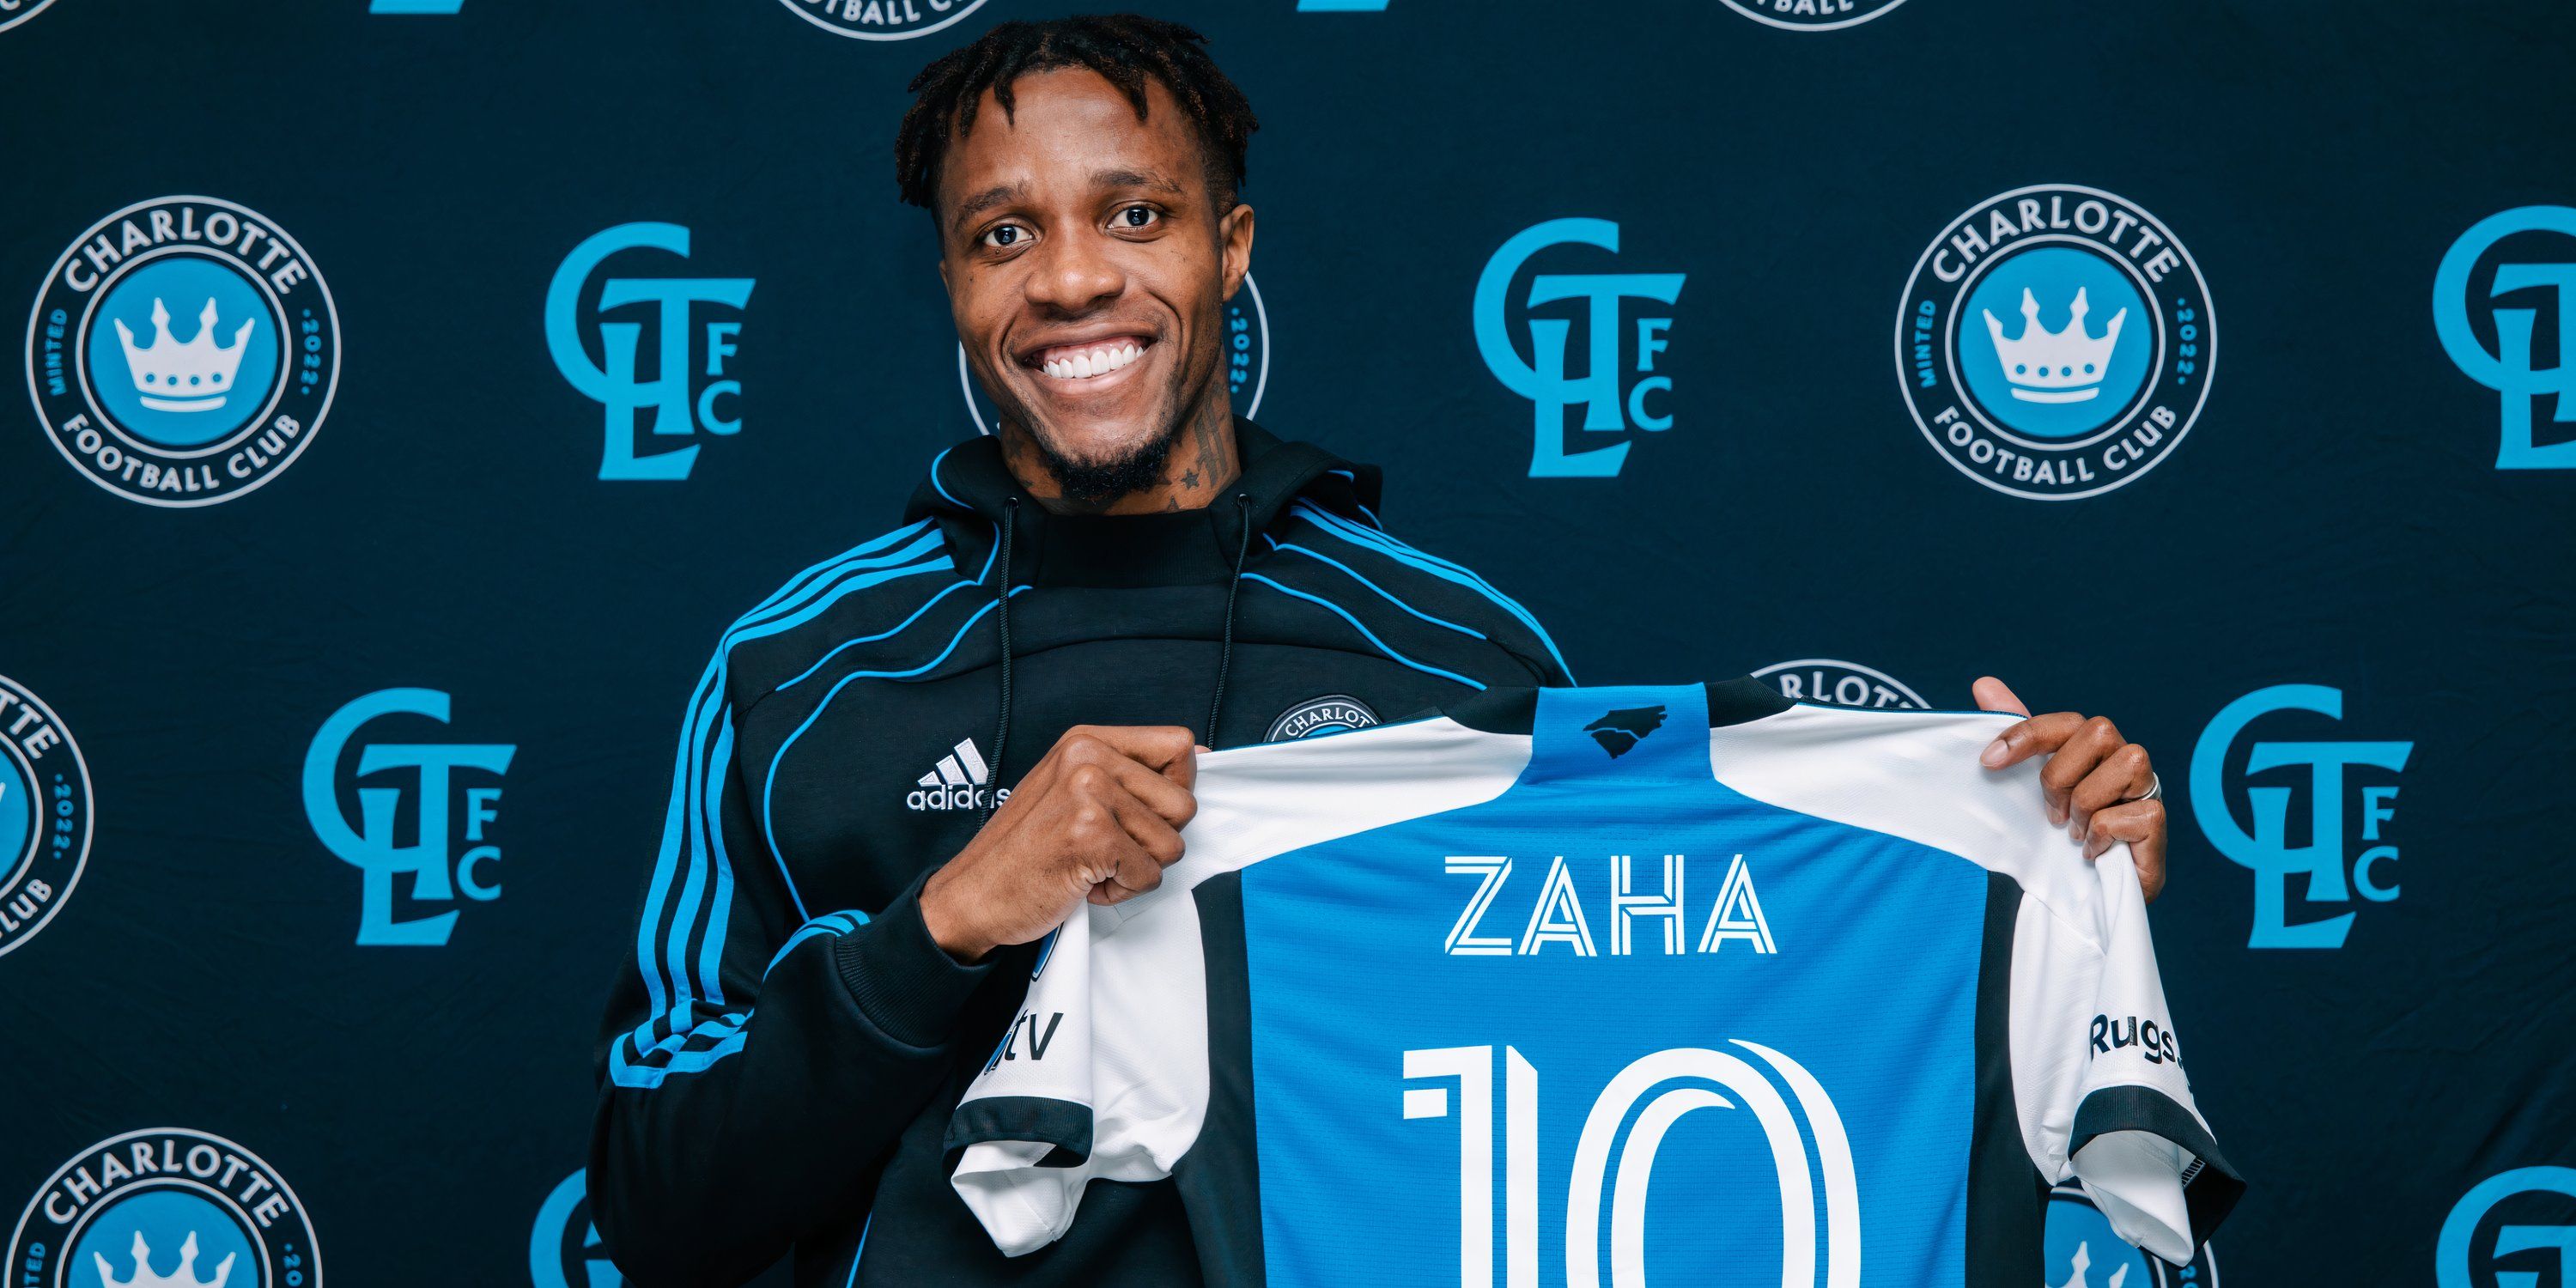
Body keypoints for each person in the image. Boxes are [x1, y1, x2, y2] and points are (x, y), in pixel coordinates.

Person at [586, 15, 2173, 1285]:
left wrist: (2024, 877)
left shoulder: (1454, 657)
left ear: (1232, 245)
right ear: (952, 279)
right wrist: (945, 924)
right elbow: (656, 1209)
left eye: (1134, 215)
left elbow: (1654, 1067)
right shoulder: (800, 677)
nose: (1072, 278)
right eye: (1005, 235)